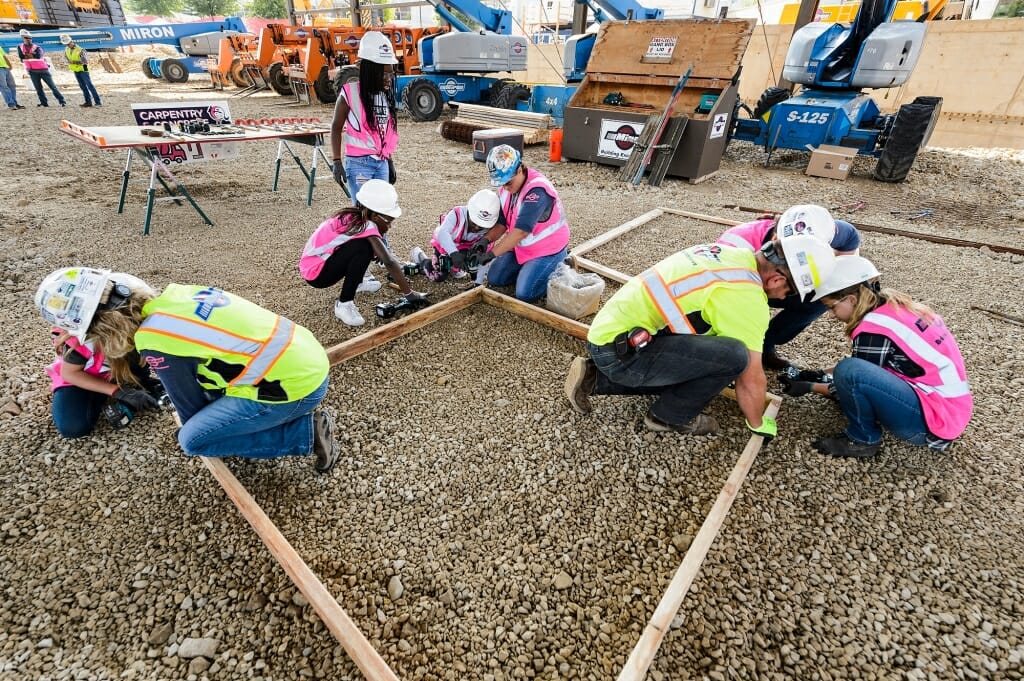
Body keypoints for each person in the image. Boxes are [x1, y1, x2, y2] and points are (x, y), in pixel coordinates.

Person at [35, 267, 340, 473]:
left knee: (194, 439)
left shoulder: (155, 340)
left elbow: (190, 409)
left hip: (297, 388)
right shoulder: (176, 295)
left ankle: (303, 434)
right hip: (305, 358)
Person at [564, 234, 837, 436]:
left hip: (610, 336)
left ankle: (595, 378)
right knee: (734, 358)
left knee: (711, 353)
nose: (784, 298)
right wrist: (759, 424)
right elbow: (751, 377)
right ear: (777, 280)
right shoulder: (746, 297)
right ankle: (668, 416)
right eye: (790, 293)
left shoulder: (730, 254)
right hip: (622, 353)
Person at [777, 256, 973, 459]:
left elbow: (853, 381)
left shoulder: (872, 331)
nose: (831, 315)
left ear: (851, 299)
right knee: (850, 369)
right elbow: (878, 368)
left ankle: (862, 440)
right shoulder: (897, 309)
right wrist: (820, 374)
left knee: (850, 370)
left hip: (928, 425)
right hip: (951, 411)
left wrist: (810, 387)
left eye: (832, 307)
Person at [717, 204, 861, 370]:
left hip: (780, 278)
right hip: (743, 283)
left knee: (822, 298)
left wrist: (835, 273)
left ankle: (766, 344)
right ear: (775, 240)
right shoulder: (735, 247)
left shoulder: (824, 229)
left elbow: (851, 237)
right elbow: (724, 302)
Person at [43, 273, 162, 438]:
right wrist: (117, 391)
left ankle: (143, 381)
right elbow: (69, 373)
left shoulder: (135, 302)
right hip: (84, 373)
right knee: (73, 427)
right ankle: (100, 390)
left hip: (122, 364)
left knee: (138, 347)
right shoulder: (79, 339)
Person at [300, 179, 428, 327]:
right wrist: (409, 294)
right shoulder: (366, 227)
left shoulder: (357, 217)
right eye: (388, 221)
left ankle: (358, 282)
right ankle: (344, 304)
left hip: (315, 264)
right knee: (363, 248)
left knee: (366, 247)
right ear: (374, 216)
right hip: (317, 274)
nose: (390, 226)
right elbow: (389, 262)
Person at [328, 31, 399, 294]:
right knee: (363, 217)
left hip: (379, 162)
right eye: (384, 73)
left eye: (390, 73)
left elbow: (384, 133)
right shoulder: (350, 93)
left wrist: (389, 161)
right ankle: (361, 272)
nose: (388, 78)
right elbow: (336, 127)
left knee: (381, 213)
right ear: (369, 69)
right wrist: (337, 161)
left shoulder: (384, 95)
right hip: (359, 165)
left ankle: (384, 256)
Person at [474, 144, 570, 302]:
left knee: (526, 293)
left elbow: (521, 231)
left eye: (508, 182)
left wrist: (491, 254)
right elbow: (502, 223)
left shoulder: (537, 190)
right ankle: (530, 270)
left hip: (548, 249)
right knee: (495, 278)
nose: (505, 187)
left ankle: (560, 263)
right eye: (502, 184)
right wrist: (485, 241)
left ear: (519, 170)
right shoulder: (508, 187)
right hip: (523, 247)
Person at [410, 189, 500, 283]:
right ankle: (423, 260)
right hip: (447, 246)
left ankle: (455, 268)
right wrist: (453, 253)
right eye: (474, 222)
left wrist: (478, 276)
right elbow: (442, 233)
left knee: (462, 272)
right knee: (438, 276)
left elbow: (487, 251)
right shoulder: (457, 214)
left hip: (467, 251)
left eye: (481, 226)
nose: (477, 228)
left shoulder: (491, 229)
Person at [16, 29, 66, 108]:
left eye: (29, 38)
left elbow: (38, 56)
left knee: (52, 86)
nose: (28, 39)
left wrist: (28, 55)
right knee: (38, 88)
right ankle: (44, 103)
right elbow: (21, 58)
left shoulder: (37, 47)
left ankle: (62, 101)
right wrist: (31, 55)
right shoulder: (20, 47)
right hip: (32, 71)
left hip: (43, 70)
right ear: (22, 38)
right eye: (26, 37)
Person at [60, 34, 101, 107]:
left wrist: (74, 62)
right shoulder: (67, 49)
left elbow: (85, 61)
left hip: (84, 69)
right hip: (76, 70)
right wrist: (67, 61)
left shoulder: (80, 50)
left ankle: (98, 102)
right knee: (82, 86)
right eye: (66, 44)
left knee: (89, 85)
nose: (68, 45)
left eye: (68, 44)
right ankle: (88, 102)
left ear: (72, 41)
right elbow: (66, 58)